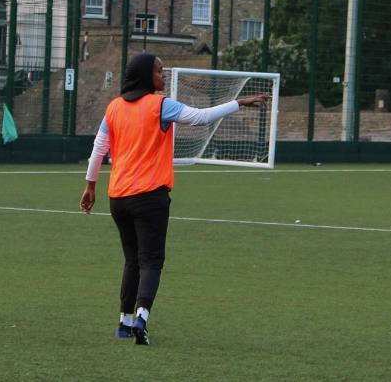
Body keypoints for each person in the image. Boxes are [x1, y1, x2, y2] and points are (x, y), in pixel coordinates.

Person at [79, 53, 271, 345]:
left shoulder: (114, 108)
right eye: (159, 70)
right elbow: (201, 117)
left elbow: (98, 150)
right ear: (146, 76)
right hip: (150, 196)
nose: (164, 75)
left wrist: (90, 186)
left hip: (118, 198)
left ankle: (123, 323)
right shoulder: (160, 105)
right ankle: (142, 317)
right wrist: (239, 103)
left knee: (132, 260)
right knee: (151, 261)